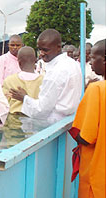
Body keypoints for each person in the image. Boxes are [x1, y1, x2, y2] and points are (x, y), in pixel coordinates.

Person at [10, 29, 82, 124]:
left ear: (58, 47)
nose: (41, 53)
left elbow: (41, 110)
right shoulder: (72, 64)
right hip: (70, 119)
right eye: (39, 49)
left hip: (55, 123)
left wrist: (24, 98)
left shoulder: (55, 72)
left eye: (45, 50)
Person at [69, 39, 106, 198]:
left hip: (98, 176)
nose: (90, 63)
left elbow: (86, 136)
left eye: (92, 58)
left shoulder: (97, 89)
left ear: (104, 59)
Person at [2, 46, 43, 114]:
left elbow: (4, 104)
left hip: (14, 119)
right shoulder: (43, 80)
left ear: (19, 62)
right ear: (36, 60)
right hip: (36, 118)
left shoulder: (9, 80)